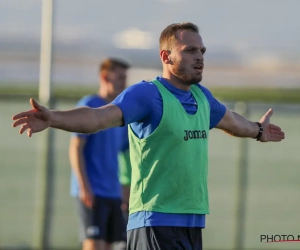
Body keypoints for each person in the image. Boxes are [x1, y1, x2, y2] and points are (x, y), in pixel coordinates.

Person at [12, 22, 285, 250]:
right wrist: (54, 118)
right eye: (189, 50)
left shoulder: (202, 98)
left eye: (202, 50)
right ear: (166, 57)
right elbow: (97, 117)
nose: (199, 56)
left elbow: (232, 121)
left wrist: (259, 130)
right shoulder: (147, 95)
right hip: (154, 222)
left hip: (193, 221)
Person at [68, 58, 130, 250]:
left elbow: (125, 156)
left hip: (114, 193)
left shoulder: (119, 113)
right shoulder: (90, 105)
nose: (124, 83)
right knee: (94, 245)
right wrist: (84, 186)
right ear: (105, 77)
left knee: (110, 246)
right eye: (120, 77)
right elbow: (75, 147)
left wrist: (125, 192)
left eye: (125, 78)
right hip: (93, 192)